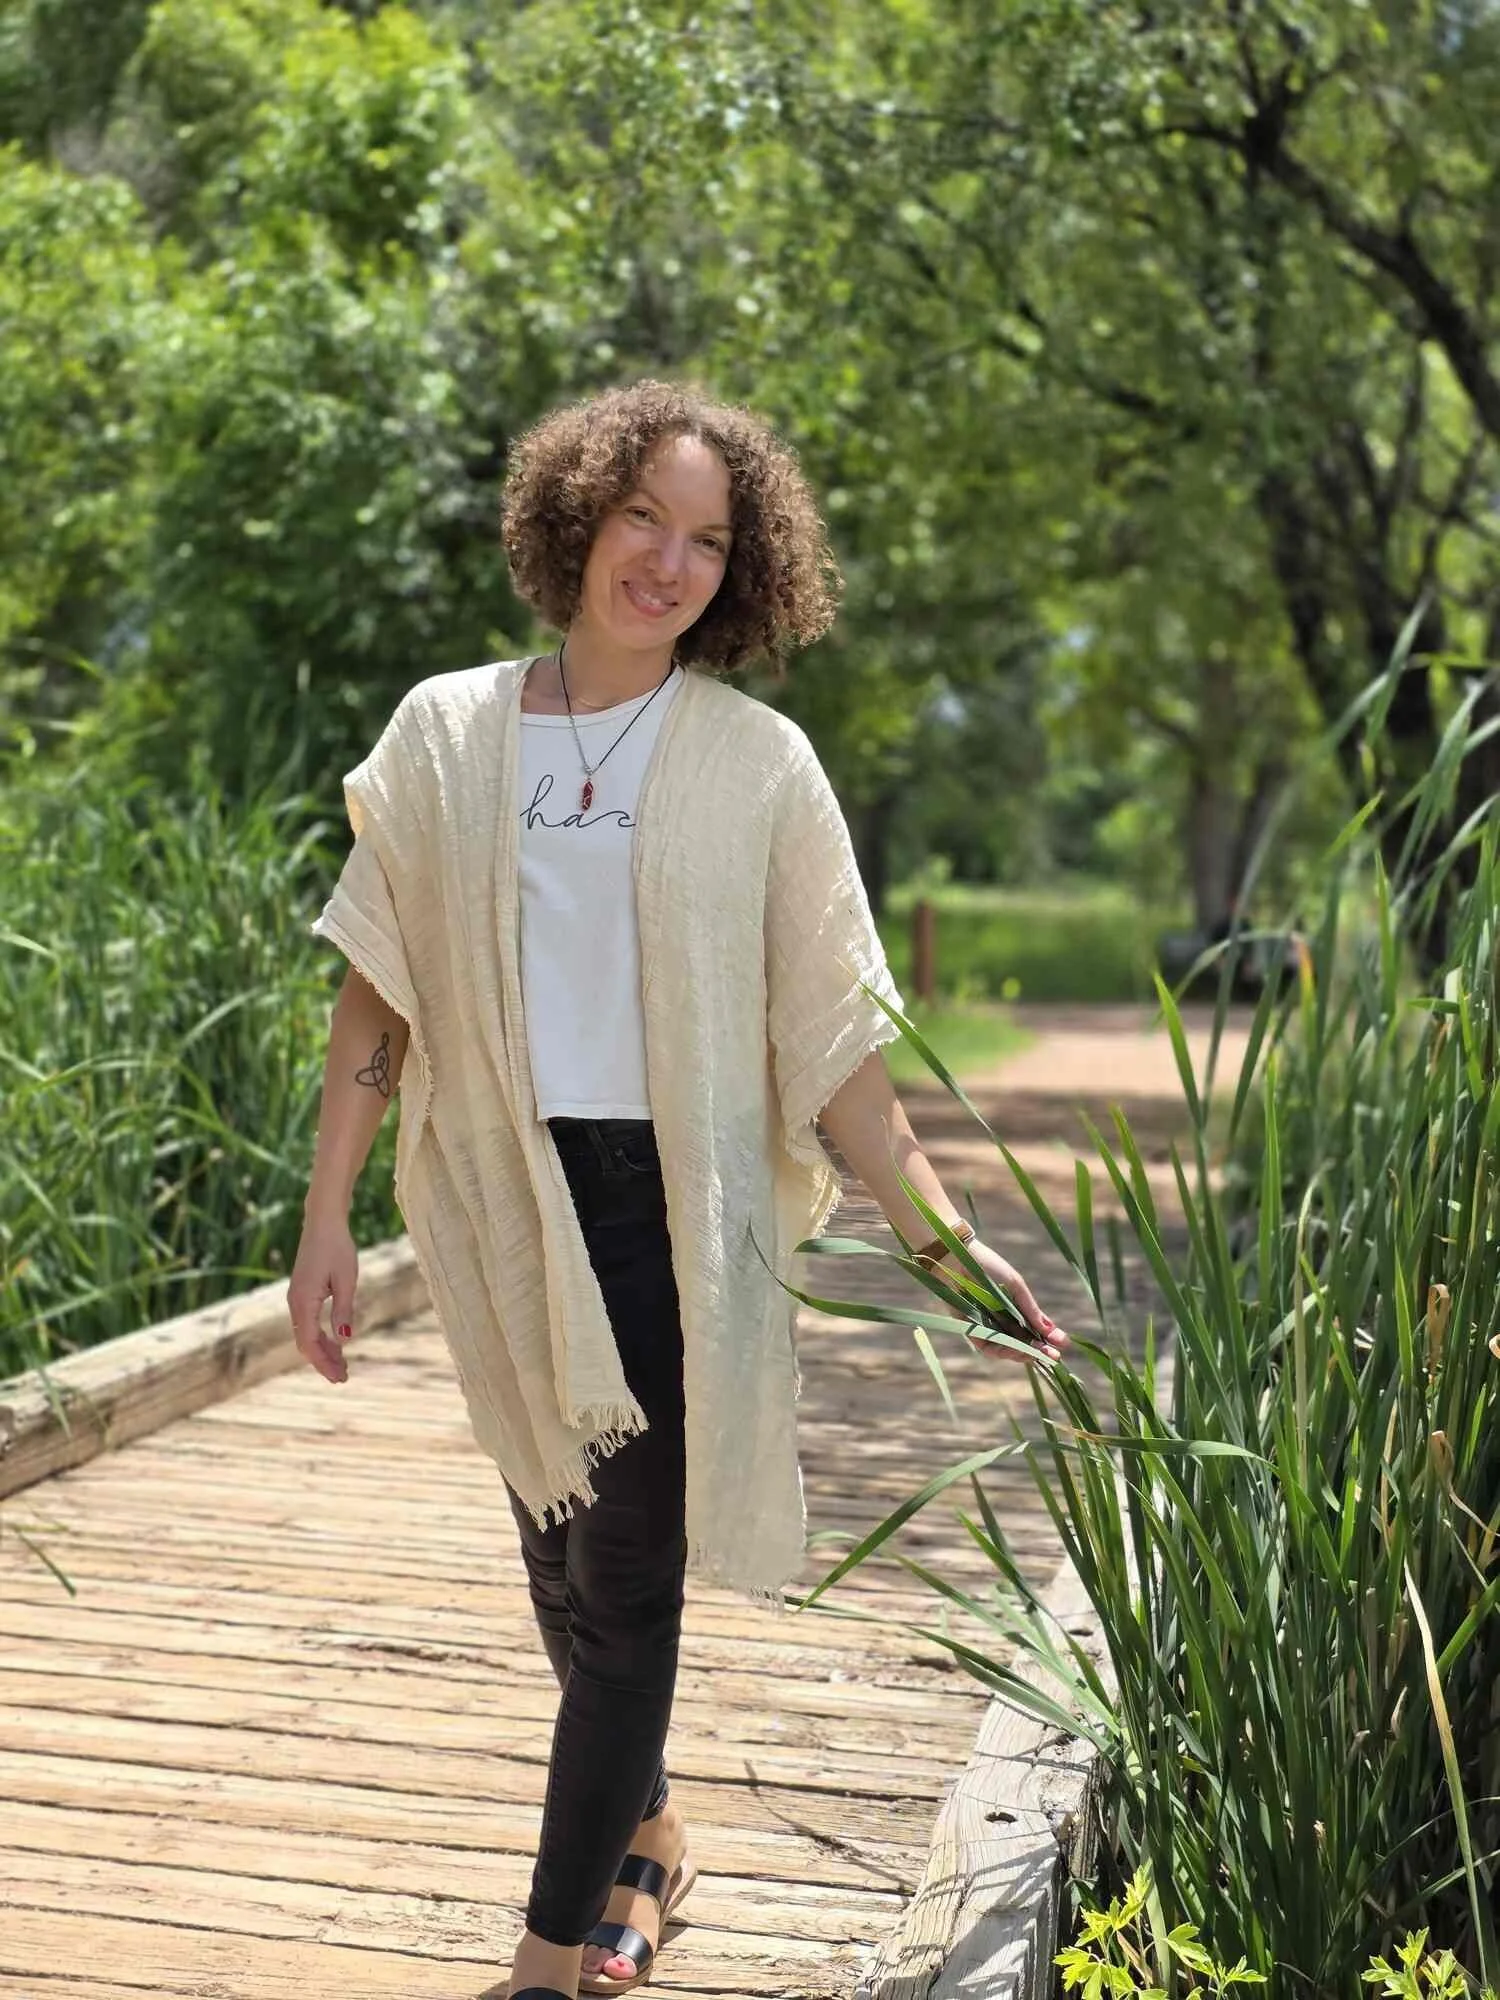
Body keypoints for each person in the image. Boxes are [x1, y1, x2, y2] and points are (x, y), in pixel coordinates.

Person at [287, 379, 1067, 2000]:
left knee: (625, 1590)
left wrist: (943, 1240)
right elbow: (383, 996)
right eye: (644, 515)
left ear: (748, 567)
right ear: (575, 514)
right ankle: (650, 1842)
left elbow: (833, 1045)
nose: (669, 561)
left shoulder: (759, 766)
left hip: (662, 1218)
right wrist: (326, 1222)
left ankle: (543, 1962)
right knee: (560, 1570)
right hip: (503, 1203)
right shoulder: (447, 734)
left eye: (711, 539)